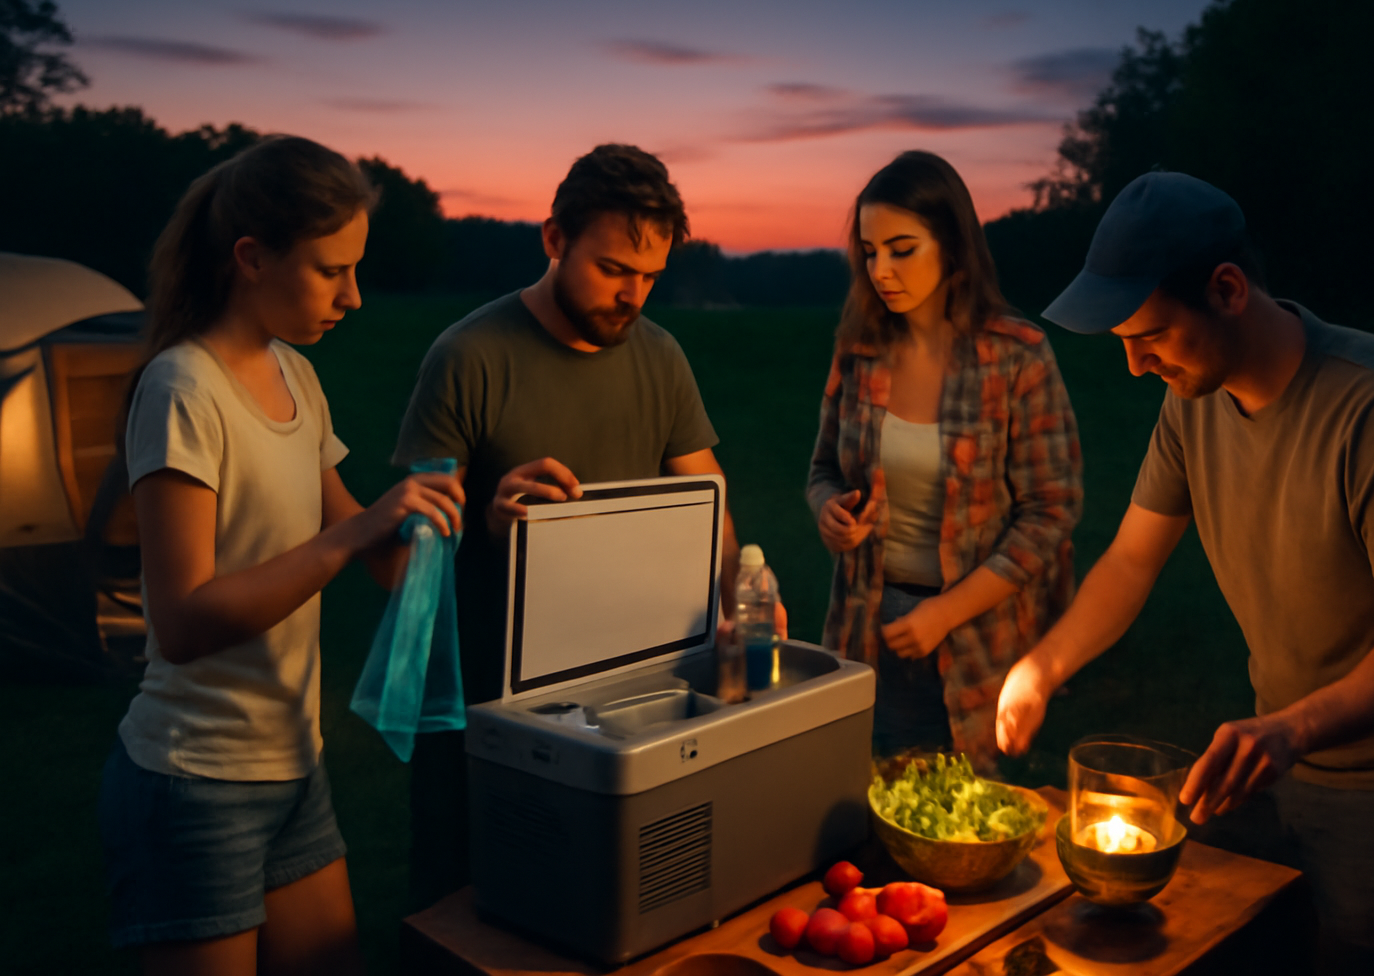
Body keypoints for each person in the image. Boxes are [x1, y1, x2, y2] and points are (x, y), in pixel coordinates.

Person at [995, 171, 1374, 974]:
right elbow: (1129, 561)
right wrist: (1041, 669)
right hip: (1273, 759)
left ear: (1226, 290)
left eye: (1148, 336)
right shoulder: (1192, 405)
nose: (1133, 365)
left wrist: (1290, 729)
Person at [99, 136, 465, 975]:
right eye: (331, 271)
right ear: (252, 258)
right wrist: (353, 534)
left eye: (357, 269)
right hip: (195, 779)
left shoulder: (297, 376)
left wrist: (475, 513)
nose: (356, 296)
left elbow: (384, 558)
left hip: (295, 769)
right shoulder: (183, 388)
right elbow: (185, 619)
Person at [393, 142, 743, 908]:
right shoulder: (468, 356)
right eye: (614, 269)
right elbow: (402, 559)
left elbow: (706, 493)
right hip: (484, 708)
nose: (634, 296)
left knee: (601, 902)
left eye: (650, 276)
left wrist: (740, 592)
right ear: (554, 239)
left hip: (625, 700)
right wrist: (484, 519)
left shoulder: (661, 357)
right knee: (464, 909)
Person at [807, 150, 1082, 776]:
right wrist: (828, 510)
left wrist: (945, 613)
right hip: (863, 631)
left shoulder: (1016, 357)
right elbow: (823, 469)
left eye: (902, 249)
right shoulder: (861, 350)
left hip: (976, 641)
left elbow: (1052, 511)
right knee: (863, 808)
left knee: (962, 819)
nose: (881, 269)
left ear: (953, 245)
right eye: (870, 251)